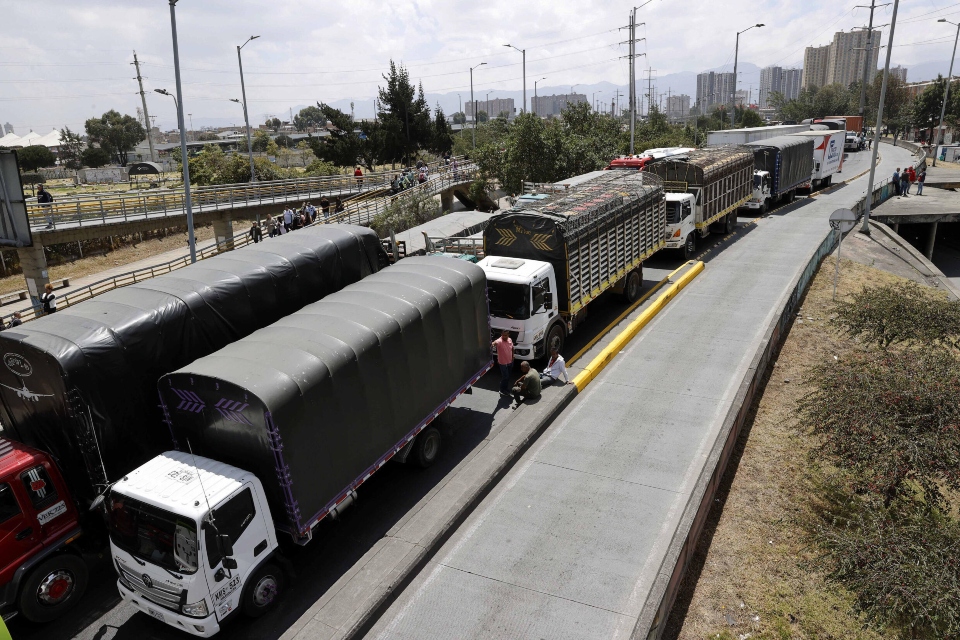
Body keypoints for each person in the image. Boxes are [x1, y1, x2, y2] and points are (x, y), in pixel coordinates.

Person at [493, 329, 514, 396]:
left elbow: (512, 348)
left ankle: (506, 388)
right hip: (503, 363)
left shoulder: (510, 340)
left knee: (508, 376)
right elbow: (494, 343)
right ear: (501, 335)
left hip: (510, 361)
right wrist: (492, 344)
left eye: (506, 335)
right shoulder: (499, 341)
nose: (504, 336)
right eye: (503, 335)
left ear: (508, 335)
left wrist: (513, 356)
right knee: (505, 376)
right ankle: (502, 390)